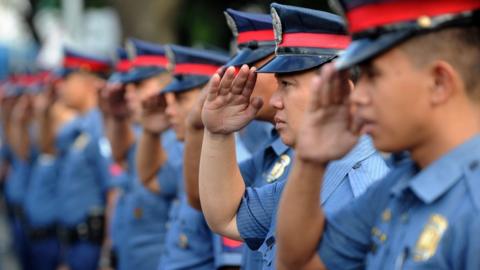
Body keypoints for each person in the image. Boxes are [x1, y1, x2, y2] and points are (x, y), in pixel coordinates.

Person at [275, 1, 480, 269]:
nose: (357, 96)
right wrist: (311, 160)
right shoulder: (398, 186)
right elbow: (298, 263)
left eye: (373, 75)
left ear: (439, 83)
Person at [199, 3, 389, 269]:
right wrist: (217, 134)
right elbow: (226, 217)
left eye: (287, 85)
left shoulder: (366, 186)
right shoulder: (316, 173)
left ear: (342, 93)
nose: (275, 100)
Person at [182, 9, 283, 269]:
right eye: (238, 66)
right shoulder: (275, 149)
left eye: (252, 68)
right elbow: (207, 203)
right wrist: (202, 129)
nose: (238, 77)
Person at [102, 39, 180, 270]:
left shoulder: (177, 140)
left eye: (138, 86)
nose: (129, 94)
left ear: (165, 84)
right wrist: (116, 117)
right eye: (128, 87)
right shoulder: (145, 136)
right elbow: (120, 155)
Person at [55, 48, 114, 270]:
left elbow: (112, 191)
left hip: (91, 246)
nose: (61, 86)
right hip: (74, 243)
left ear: (87, 82)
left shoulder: (100, 127)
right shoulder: (79, 127)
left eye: (67, 79)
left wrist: (107, 255)